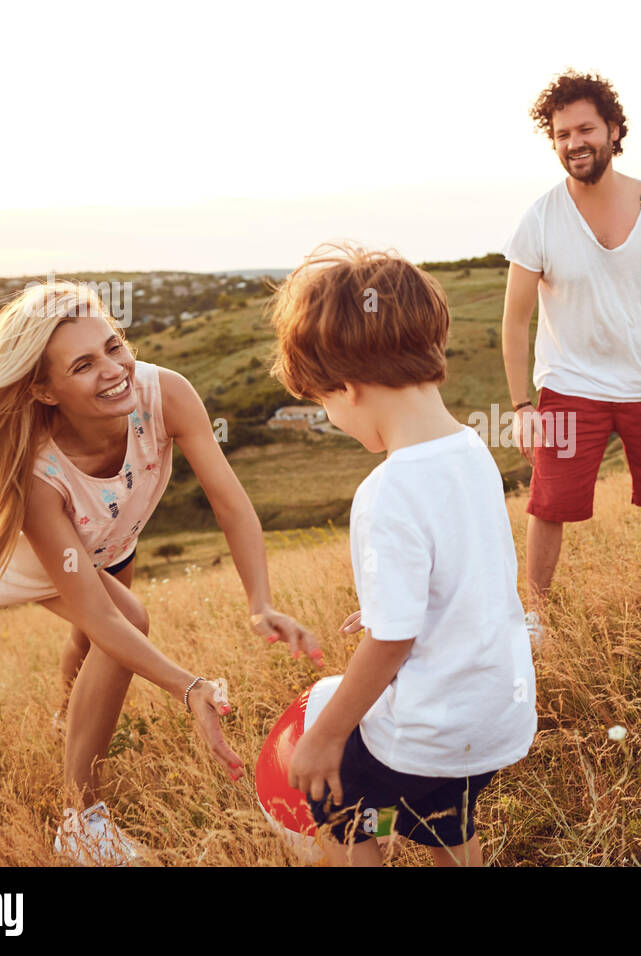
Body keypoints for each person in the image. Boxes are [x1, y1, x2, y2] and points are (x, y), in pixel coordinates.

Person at [0, 280, 320, 865]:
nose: (114, 370)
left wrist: (259, 601)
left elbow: (230, 502)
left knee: (93, 643)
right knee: (122, 621)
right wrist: (190, 688)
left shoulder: (166, 394)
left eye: (115, 345)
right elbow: (103, 614)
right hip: (25, 557)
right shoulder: (36, 469)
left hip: (109, 535)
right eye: (83, 364)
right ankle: (79, 820)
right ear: (44, 389)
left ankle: (67, 719)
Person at [268, 242, 537, 867]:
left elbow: (392, 645)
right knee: (443, 818)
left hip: (428, 729)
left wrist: (326, 735)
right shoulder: (471, 451)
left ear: (349, 387)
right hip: (492, 717)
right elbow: (467, 569)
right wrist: (393, 603)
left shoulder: (385, 492)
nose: (332, 418)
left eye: (323, 404)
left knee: (347, 808)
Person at [500, 69, 641, 609]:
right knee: (549, 504)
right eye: (562, 135)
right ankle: (536, 614)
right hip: (569, 384)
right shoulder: (539, 218)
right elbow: (515, 319)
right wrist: (522, 405)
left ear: (613, 129)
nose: (574, 144)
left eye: (584, 130)